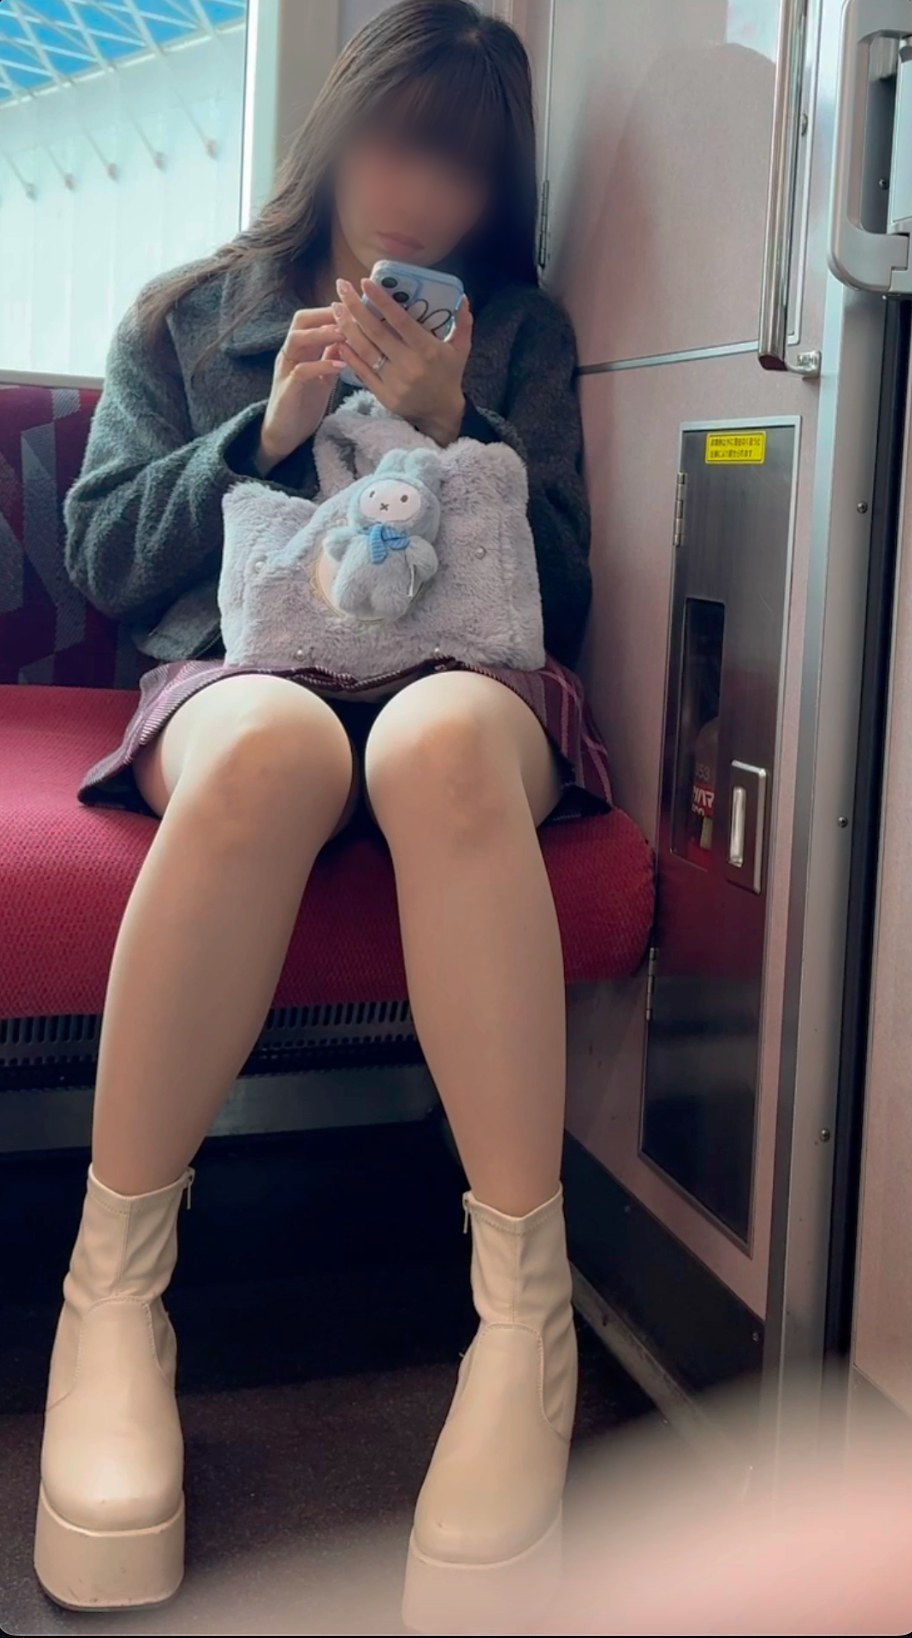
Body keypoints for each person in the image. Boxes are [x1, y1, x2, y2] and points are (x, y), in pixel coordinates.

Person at [35, 0, 609, 1624]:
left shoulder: (519, 332)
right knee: (275, 745)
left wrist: (459, 424)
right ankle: (111, 1300)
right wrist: (264, 433)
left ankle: (524, 1320)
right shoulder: (190, 314)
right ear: (339, 127)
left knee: (437, 743)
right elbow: (104, 559)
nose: (423, 189)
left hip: (458, 678)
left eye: (465, 163)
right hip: (246, 674)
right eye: (400, 138)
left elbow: (565, 591)